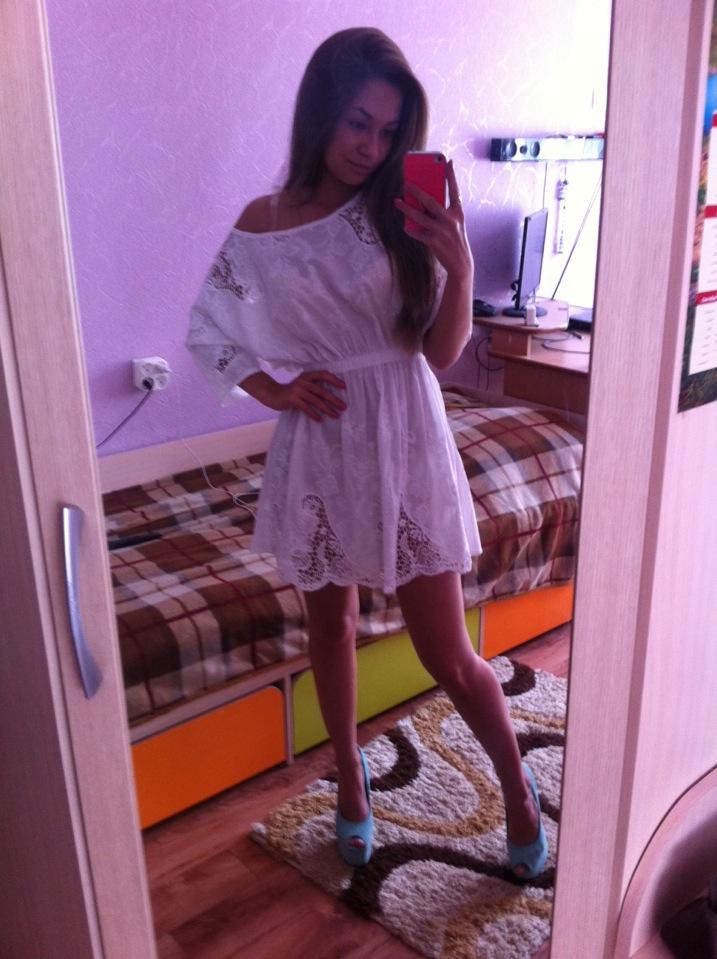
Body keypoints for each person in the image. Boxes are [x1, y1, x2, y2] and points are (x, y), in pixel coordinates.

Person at [186, 27, 547, 878]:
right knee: (332, 624)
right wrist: (275, 390)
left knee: (445, 651)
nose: (371, 147)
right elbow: (209, 327)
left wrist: (460, 271)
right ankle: (350, 779)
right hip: (321, 441)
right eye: (357, 123)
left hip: (406, 428)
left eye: (388, 132)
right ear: (320, 111)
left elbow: (439, 352)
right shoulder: (263, 223)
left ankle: (517, 785)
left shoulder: (401, 211)